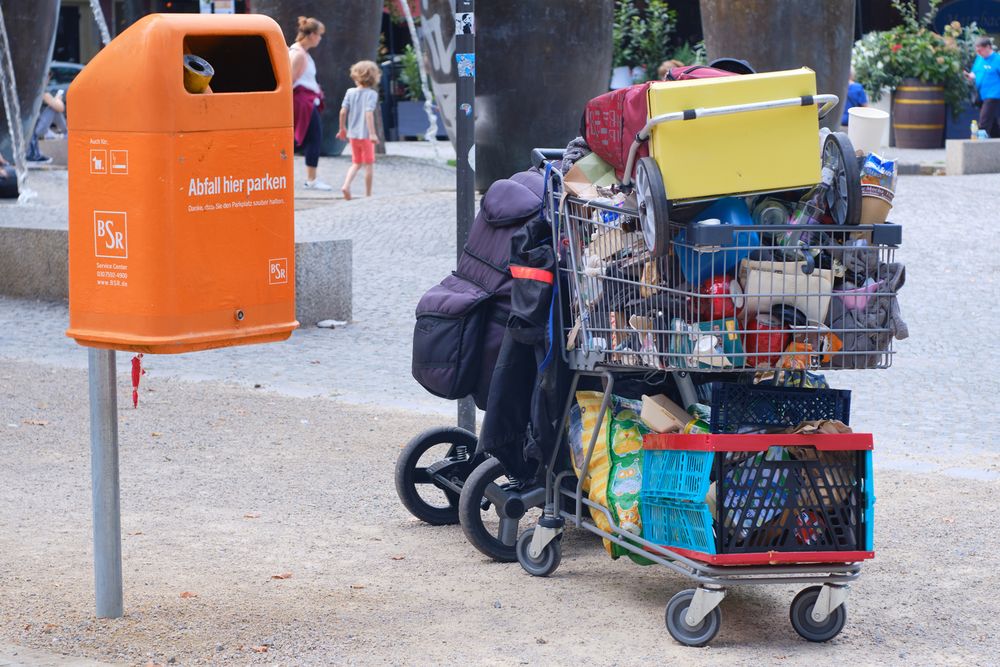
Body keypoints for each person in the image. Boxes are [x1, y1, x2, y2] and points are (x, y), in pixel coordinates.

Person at [289, 16, 331, 190]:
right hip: (302, 101)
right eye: (319, 35)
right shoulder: (298, 54)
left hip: (306, 100)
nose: (320, 38)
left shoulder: (301, 53)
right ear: (312, 34)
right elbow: (289, 80)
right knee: (313, 137)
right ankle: (311, 179)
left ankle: (311, 178)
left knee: (308, 138)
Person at [336, 60, 380, 200]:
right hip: (366, 136)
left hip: (353, 135)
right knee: (369, 165)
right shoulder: (372, 94)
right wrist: (372, 134)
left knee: (356, 163)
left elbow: (343, 112)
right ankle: (368, 195)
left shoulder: (350, 92)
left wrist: (342, 128)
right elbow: (368, 113)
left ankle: (346, 185)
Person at [26, 74, 67, 165]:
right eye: (46, 76)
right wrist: (57, 99)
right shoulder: (41, 90)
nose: (48, 79)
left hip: (34, 128)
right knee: (53, 109)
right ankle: (66, 132)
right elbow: (60, 107)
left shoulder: (39, 89)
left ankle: (64, 132)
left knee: (54, 109)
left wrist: (56, 100)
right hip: (36, 131)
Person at [966, 36, 1000, 138]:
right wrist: (970, 76)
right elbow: (975, 72)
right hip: (981, 95)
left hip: (994, 94)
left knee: (984, 120)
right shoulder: (979, 59)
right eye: (977, 51)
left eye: (980, 50)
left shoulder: (997, 60)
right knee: (993, 122)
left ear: (988, 47)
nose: (979, 53)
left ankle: (978, 142)